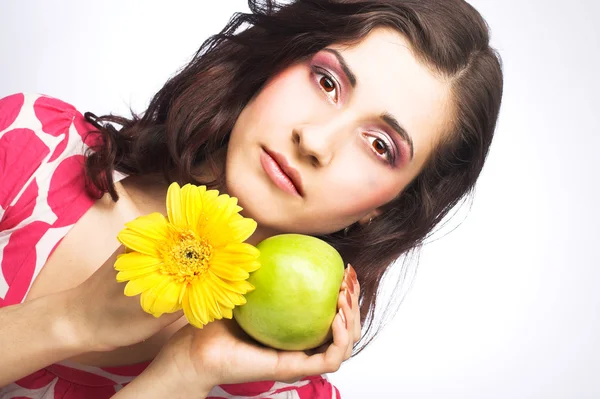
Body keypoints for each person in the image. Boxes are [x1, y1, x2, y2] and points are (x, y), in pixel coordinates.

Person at [0, 0, 503, 397]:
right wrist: (73, 319)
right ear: (277, 63)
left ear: (387, 208)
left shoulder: (278, 393)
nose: (315, 140)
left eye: (379, 146)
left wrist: (188, 371)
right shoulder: (27, 149)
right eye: (326, 81)